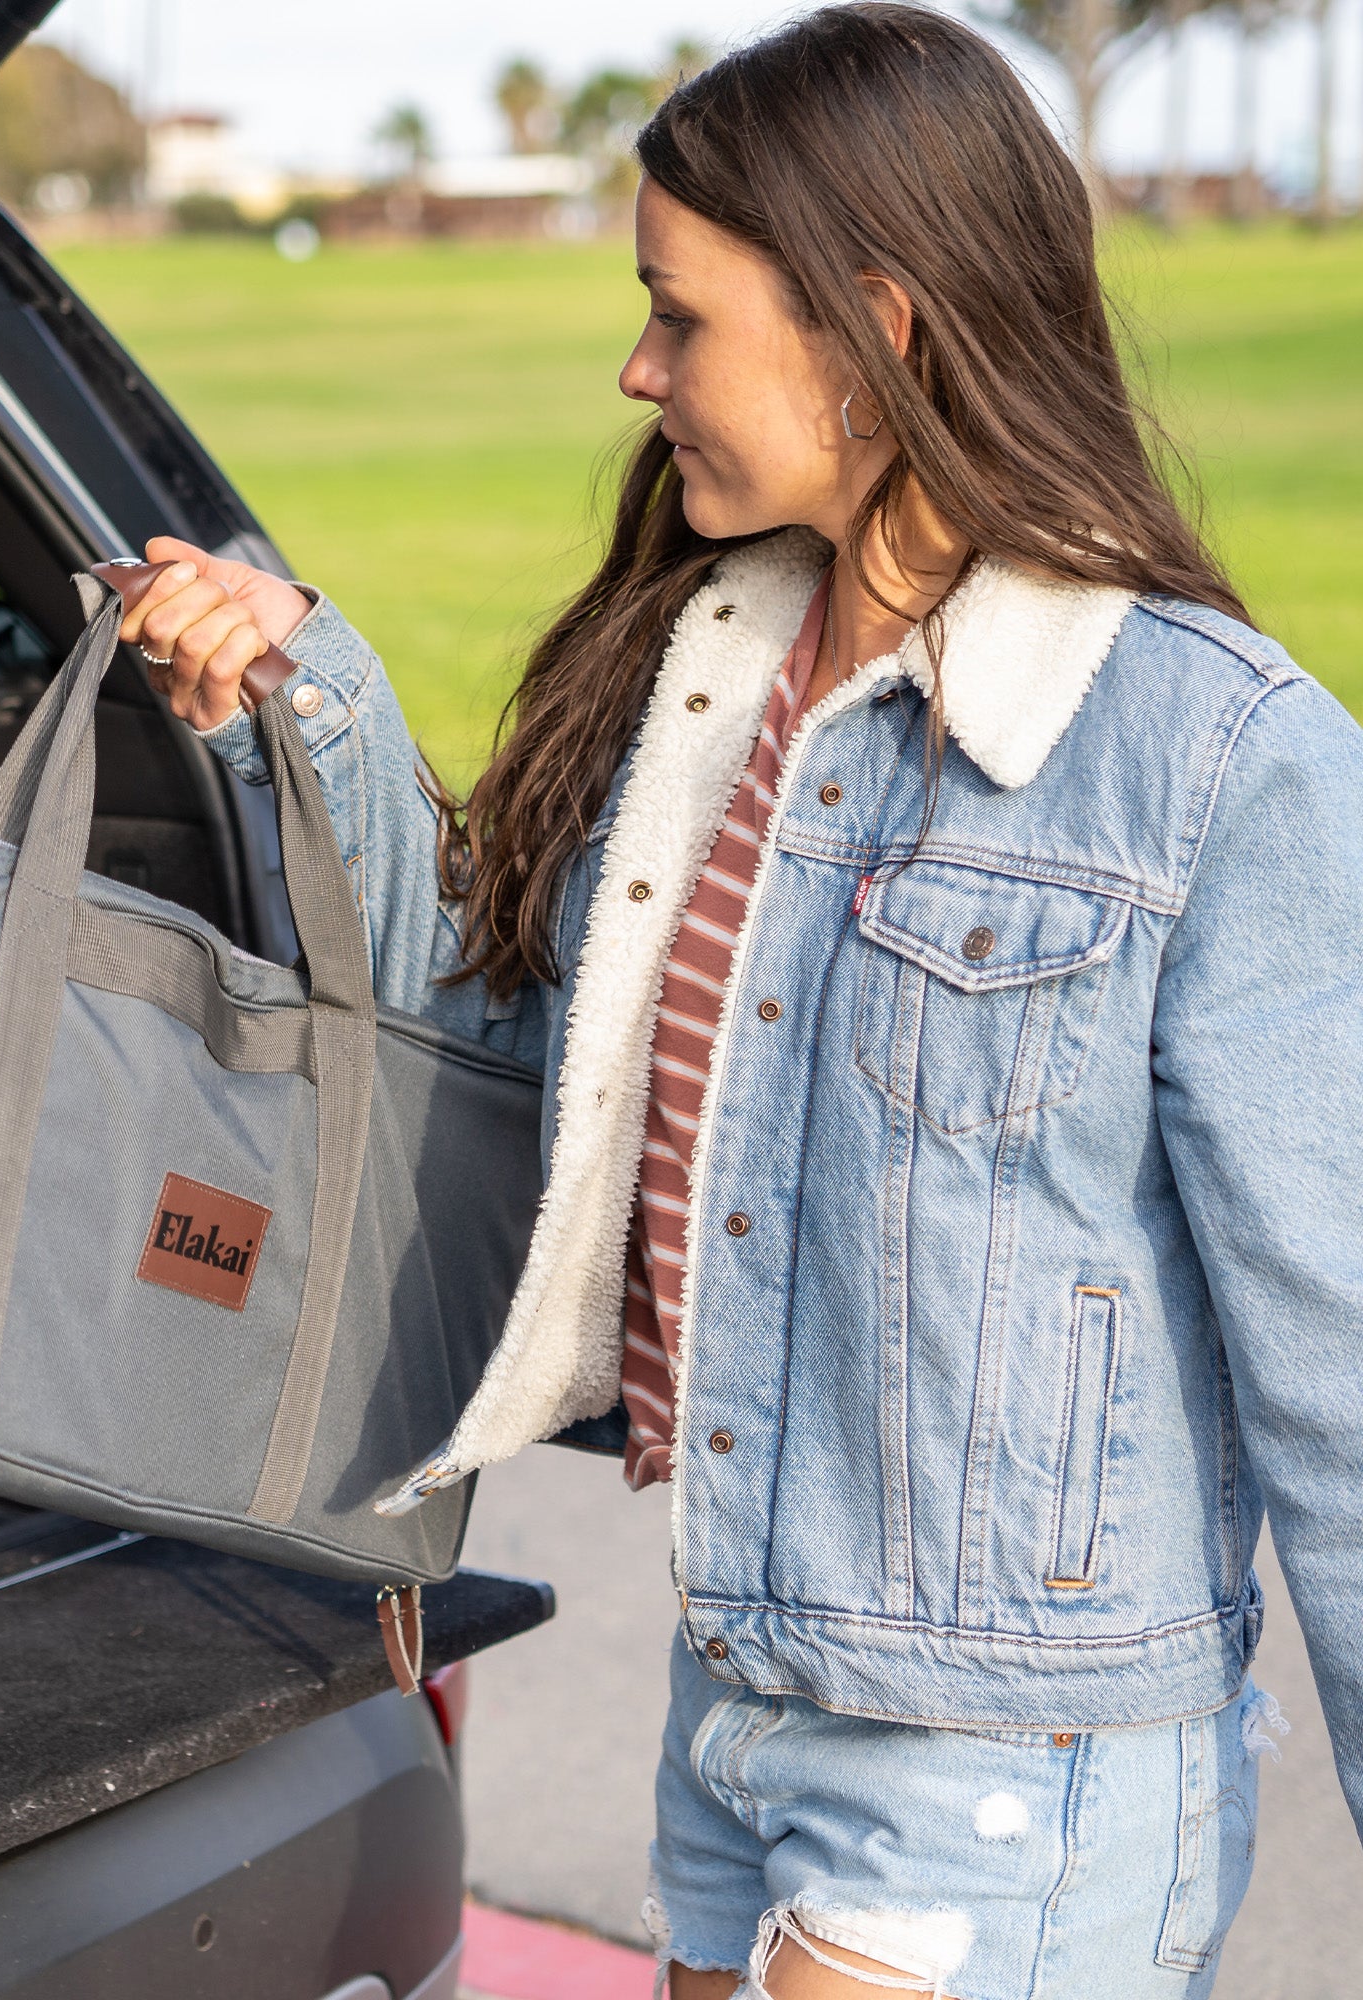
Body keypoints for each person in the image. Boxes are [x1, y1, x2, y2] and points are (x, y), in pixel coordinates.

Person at [107, 7, 1363, 1994]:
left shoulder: (1210, 761)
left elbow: (1344, 1373)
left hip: (1007, 1757)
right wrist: (303, 690)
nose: (635, 368)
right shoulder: (708, 671)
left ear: (882, 322)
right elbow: (529, 1059)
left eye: (677, 315)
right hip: (737, 1682)